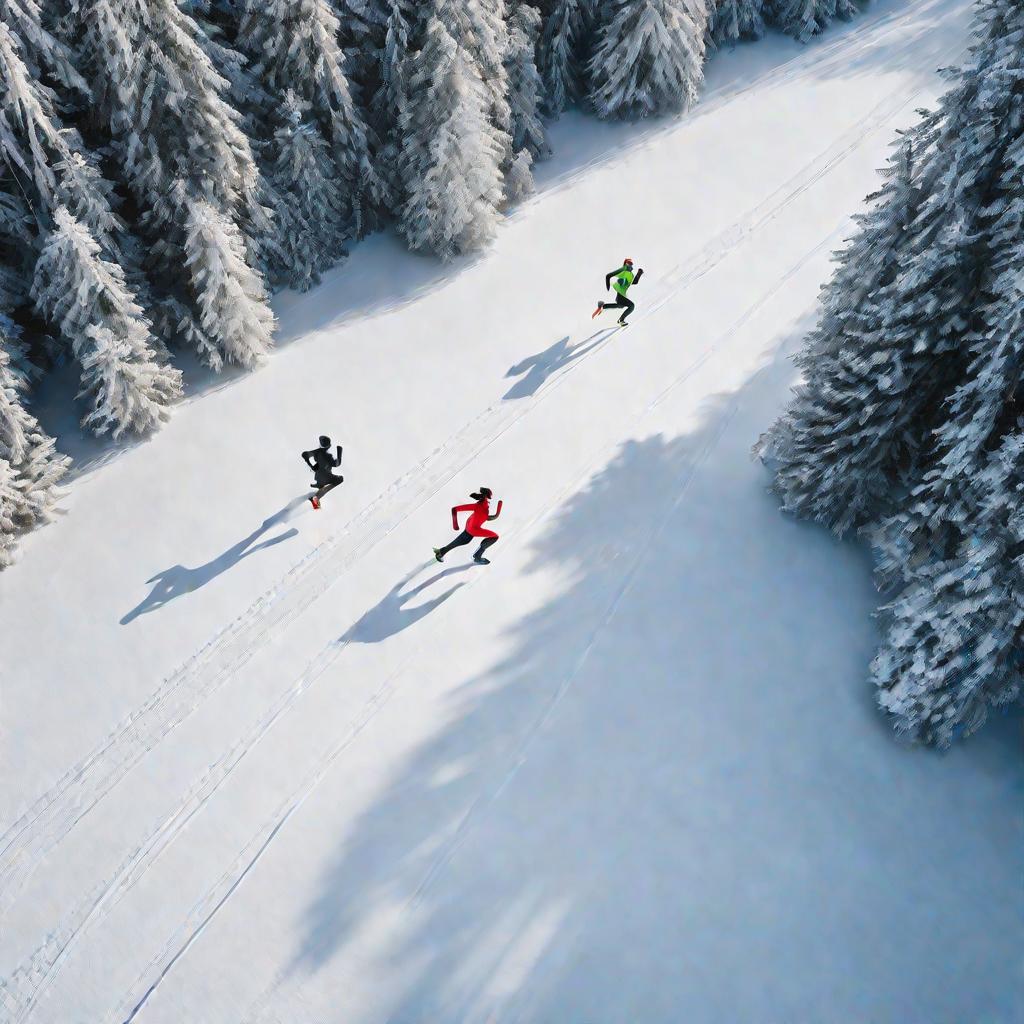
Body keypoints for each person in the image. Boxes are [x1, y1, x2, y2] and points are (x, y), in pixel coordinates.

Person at [434, 487, 503, 564]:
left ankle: (441, 552)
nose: (488, 501)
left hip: (469, 527)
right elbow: (454, 509)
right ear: (486, 497)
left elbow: (486, 517)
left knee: (461, 541)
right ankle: (477, 556)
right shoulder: (479, 506)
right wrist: (455, 524)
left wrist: (497, 513)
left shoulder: (484, 507)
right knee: (495, 536)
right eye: (488, 498)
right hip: (474, 529)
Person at [592, 258, 644, 325]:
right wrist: (613, 284)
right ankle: (621, 320)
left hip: (621, 295)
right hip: (620, 295)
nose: (630, 265)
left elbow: (634, 282)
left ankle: (603, 306)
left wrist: (639, 274)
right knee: (631, 306)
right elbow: (608, 276)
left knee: (620, 305)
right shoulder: (623, 270)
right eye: (628, 263)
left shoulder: (631, 274)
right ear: (625, 264)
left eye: (631, 264)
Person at [302, 435, 343, 509]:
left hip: (318, 477)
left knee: (322, 485)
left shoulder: (317, 451)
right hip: (327, 477)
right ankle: (316, 498)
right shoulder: (328, 456)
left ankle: (316, 503)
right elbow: (337, 464)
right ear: (329, 446)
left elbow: (305, 454)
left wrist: (310, 464)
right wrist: (339, 452)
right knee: (340, 479)